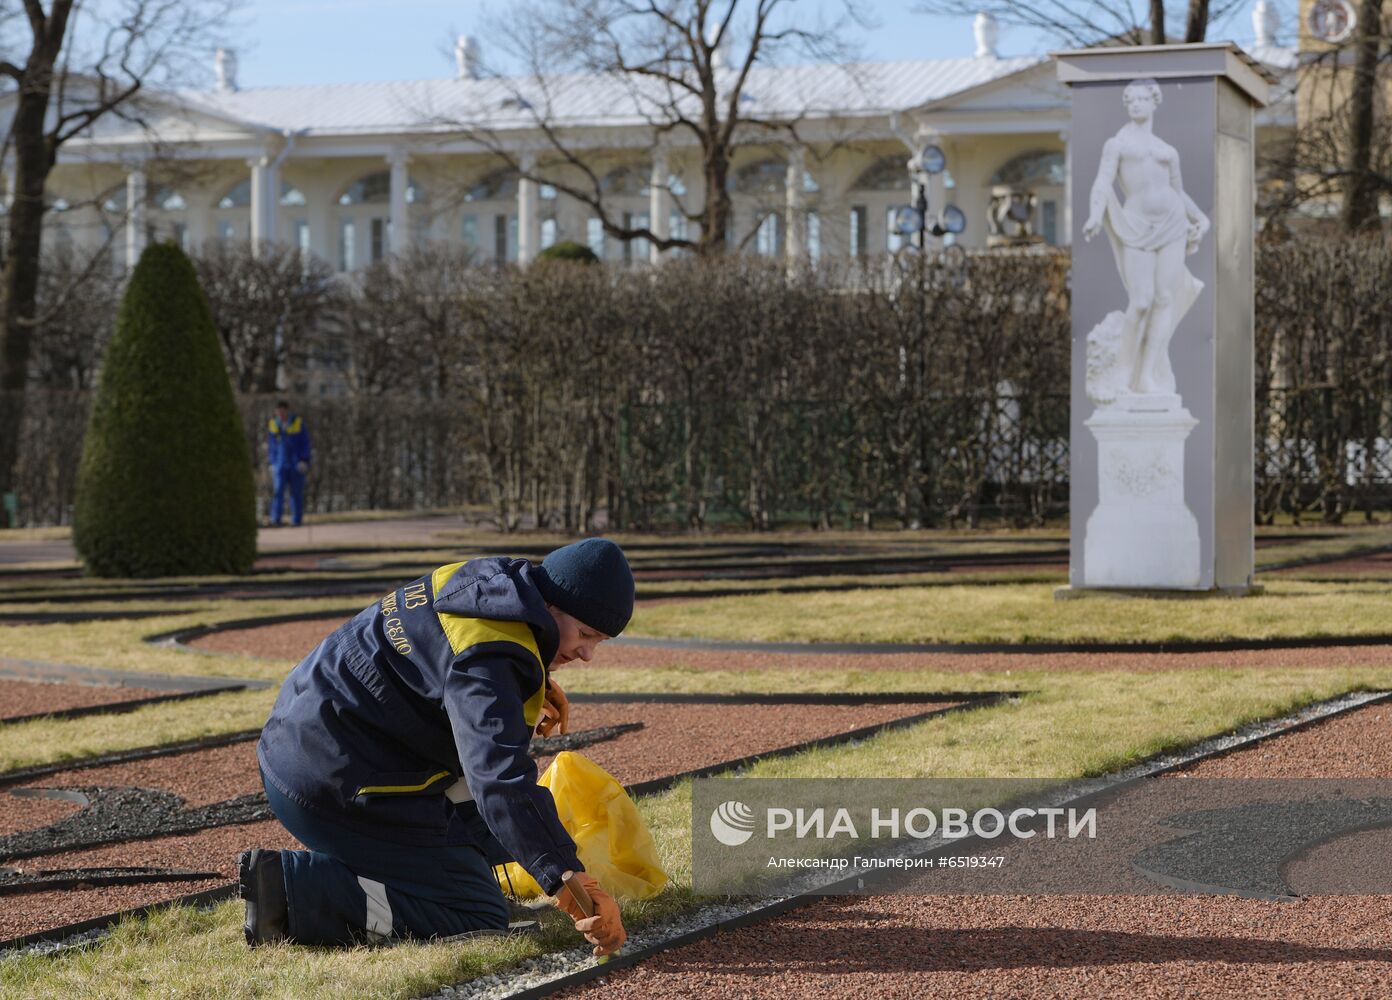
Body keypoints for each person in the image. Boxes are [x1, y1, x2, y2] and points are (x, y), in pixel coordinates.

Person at [240, 538, 632, 956]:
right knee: (477, 911)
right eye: (586, 634)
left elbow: (439, 660)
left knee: (493, 846)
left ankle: (384, 864)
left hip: (306, 743)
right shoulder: (489, 661)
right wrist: (567, 877)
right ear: (552, 605)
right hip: (327, 785)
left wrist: (528, 680)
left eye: (600, 641)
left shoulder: (489, 584)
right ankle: (287, 890)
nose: (588, 654)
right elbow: (499, 780)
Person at [1082, 78, 1208, 401]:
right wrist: (1096, 214)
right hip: (1136, 224)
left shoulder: (1168, 150)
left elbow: (1178, 193)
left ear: (1154, 102)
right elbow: (1101, 183)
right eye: (1130, 100)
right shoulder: (1117, 144)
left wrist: (1201, 219)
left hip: (1173, 224)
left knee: (1165, 298)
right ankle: (1123, 374)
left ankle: (1147, 375)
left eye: (1141, 99)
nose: (1135, 104)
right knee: (1140, 300)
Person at [266, 400, 312, 527]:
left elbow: (305, 443)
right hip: (280, 464)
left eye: (282, 410)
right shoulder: (274, 424)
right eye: (278, 411)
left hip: (295, 463)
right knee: (278, 491)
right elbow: (272, 446)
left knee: (296, 493)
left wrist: (304, 460)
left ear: (287, 410)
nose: (280, 413)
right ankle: (276, 519)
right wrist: (271, 462)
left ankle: (296, 520)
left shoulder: (298, 423)